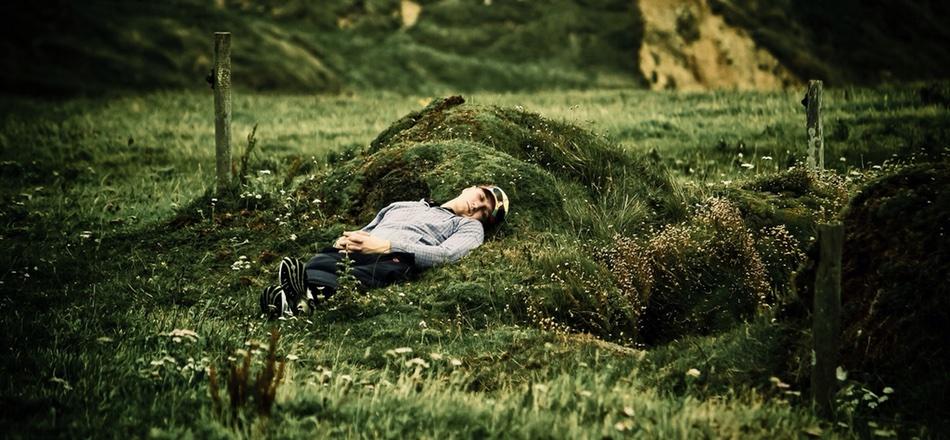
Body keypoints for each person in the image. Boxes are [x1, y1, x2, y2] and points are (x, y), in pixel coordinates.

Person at [260, 185, 510, 318]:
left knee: (380, 269)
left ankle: (295, 299)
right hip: (360, 248)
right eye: (480, 197)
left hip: (394, 257)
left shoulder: (469, 226)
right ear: (470, 188)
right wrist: (346, 238)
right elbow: (368, 228)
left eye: (483, 211)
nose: (476, 206)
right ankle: (297, 300)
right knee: (324, 259)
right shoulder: (405, 205)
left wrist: (387, 246)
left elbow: (447, 255)